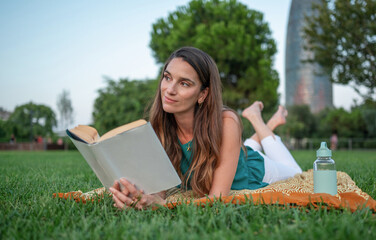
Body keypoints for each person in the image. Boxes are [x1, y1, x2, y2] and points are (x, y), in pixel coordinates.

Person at [109, 47, 302, 210]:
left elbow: (216, 200)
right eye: (167, 77)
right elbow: (159, 191)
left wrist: (161, 206)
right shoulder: (160, 125)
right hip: (234, 152)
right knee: (237, 145)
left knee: (298, 173)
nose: (170, 89)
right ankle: (267, 124)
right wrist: (141, 197)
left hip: (256, 168)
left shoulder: (227, 122)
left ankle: (257, 120)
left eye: (184, 83)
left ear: (203, 94)